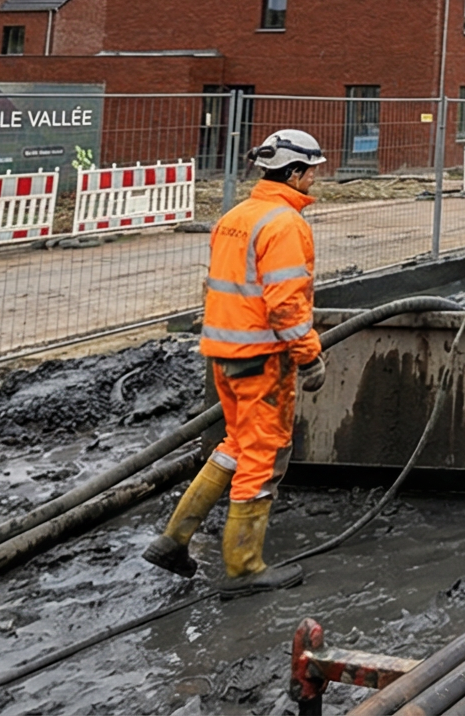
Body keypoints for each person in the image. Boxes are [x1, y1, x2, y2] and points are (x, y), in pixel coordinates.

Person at [139, 128, 327, 593]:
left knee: (237, 444)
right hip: (263, 357)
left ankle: (174, 539)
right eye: (311, 172)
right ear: (296, 173)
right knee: (262, 455)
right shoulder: (284, 224)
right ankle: (243, 566)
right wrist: (309, 356)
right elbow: (285, 305)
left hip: (225, 352)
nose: (313, 181)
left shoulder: (237, 215)